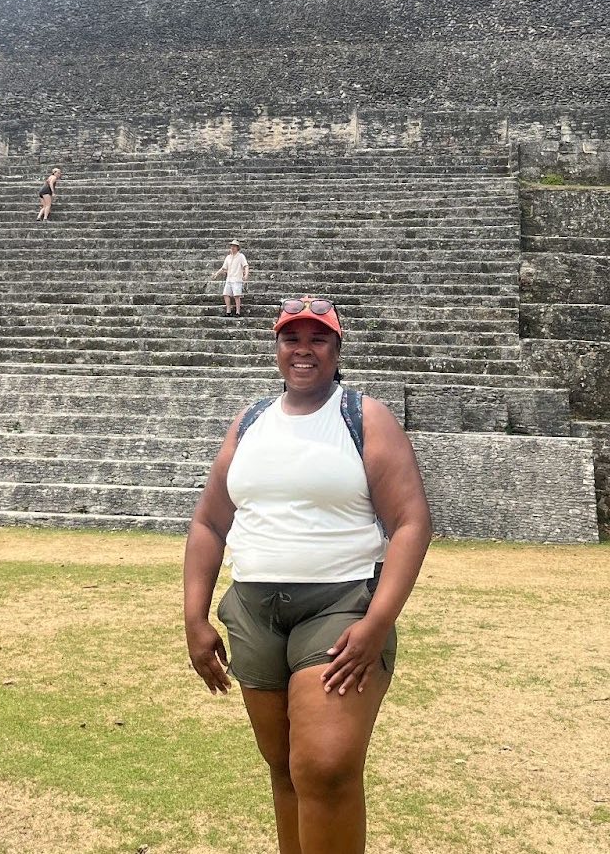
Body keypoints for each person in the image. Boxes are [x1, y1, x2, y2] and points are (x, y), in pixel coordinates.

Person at [183, 296, 433, 854]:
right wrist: (194, 617)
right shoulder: (250, 423)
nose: (303, 349)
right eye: (290, 338)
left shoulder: (363, 417)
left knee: (324, 766)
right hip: (253, 610)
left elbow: (412, 522)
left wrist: (376, 622)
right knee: (284, 767)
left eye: (317, 338)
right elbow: (208, 522)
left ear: (337, 350)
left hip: (338, 605)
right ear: (276, 348)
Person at [211, 240, 249, 317]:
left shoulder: (241, 256)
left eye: (234, 246)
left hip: (237, 278)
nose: (232, 248)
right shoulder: (228, 257)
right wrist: (216, 274)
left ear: (237, 248)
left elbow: (246, 266)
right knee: (226, 294)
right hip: (229, 279)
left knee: (236, 295)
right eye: (231, 246)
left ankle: (238, 311)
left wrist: (246, 274)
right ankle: (228, 311)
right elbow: (223, 268)